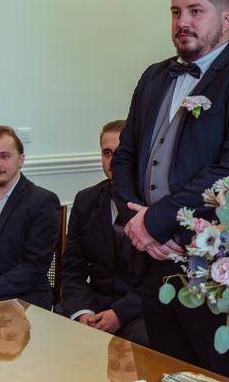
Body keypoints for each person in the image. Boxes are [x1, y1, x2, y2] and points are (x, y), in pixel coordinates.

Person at [112, 0, 229, 381]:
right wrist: (138, 227)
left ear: (226, 20)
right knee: (165, 370)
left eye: (195, 11)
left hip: (215, 264)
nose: (182, 22)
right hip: (154, 262)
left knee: (221, 371)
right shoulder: (154, 77)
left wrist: (156, 222)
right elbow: (125, 157)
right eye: (175, 12)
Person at [61, 120, 147, 345]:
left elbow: (160, 279)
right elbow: (72, 268)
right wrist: (82, 312)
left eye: (121, 153)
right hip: (93, 305)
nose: (113, 161)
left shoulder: (155, 205)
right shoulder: (85, 200)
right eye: (107, 153)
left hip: (140, 311)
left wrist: (119, 314)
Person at [0, 126, 61, 309]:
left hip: (18, 300)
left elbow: (33, 267)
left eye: (4, 156)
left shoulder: (42, 202)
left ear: (20, 159)